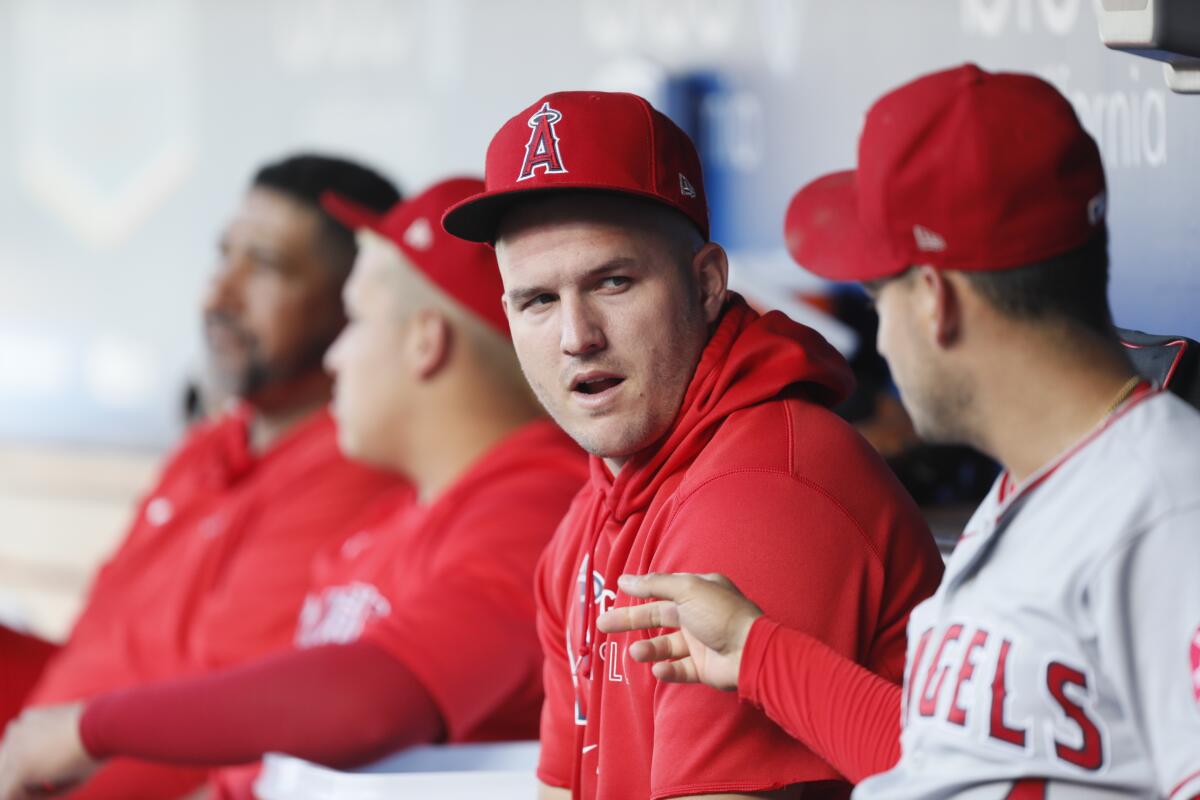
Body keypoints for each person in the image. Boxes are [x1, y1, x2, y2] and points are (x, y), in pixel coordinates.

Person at [597, 64, 1200, 799]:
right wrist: (758, 652)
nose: (880, 342)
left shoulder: (1170, 512)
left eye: (877, 300)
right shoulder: (1032, 496)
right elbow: (942, 762)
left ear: (933, 301)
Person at [0, 177, 589, 800]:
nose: (335, 358)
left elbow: (370, 703)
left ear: (426, 341)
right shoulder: (386, 525)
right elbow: (257, 770)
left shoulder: (539, 506)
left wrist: (94, 730)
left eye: (356, 320)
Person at [439, 91, 944, 800]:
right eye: (538, 301)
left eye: (612, 282)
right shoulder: (591, 519)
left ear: (706, 283)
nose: (576, 336)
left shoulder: (761, 489)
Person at [0, 154, 408, 798]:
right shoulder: (210, 442)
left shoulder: (368, 468)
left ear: (359, 299)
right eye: (225, 258)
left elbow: (236, 745)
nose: (218, 295)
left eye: (267, 267)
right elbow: (92, 661)